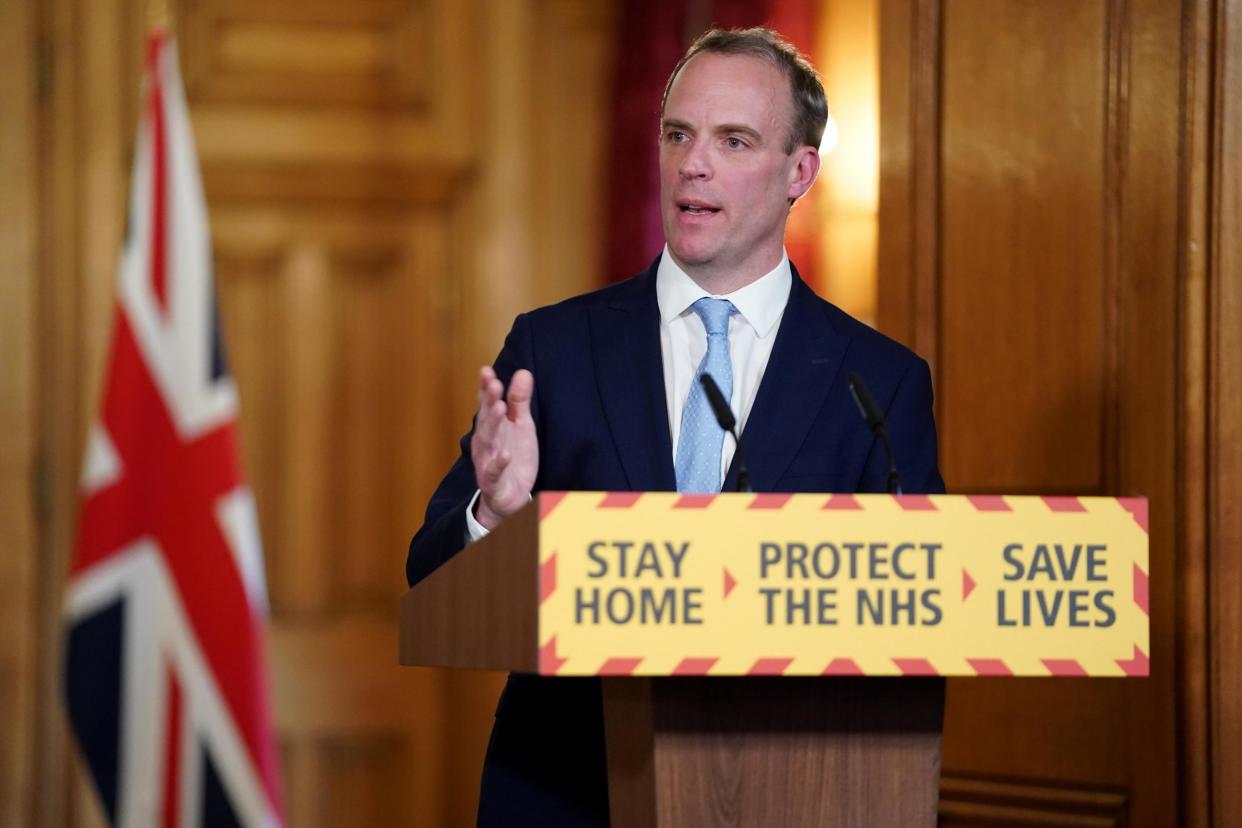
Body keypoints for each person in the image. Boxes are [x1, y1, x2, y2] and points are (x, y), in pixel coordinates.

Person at [406, 27, 944, 827]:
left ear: (801, 171)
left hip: (797, 795)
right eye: (678, 134)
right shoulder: (552, 350)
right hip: (566, 792)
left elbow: (923, 621)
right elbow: (430, 576)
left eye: (734, 140)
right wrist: (498, 516)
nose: (694, 163)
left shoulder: (878, 381)